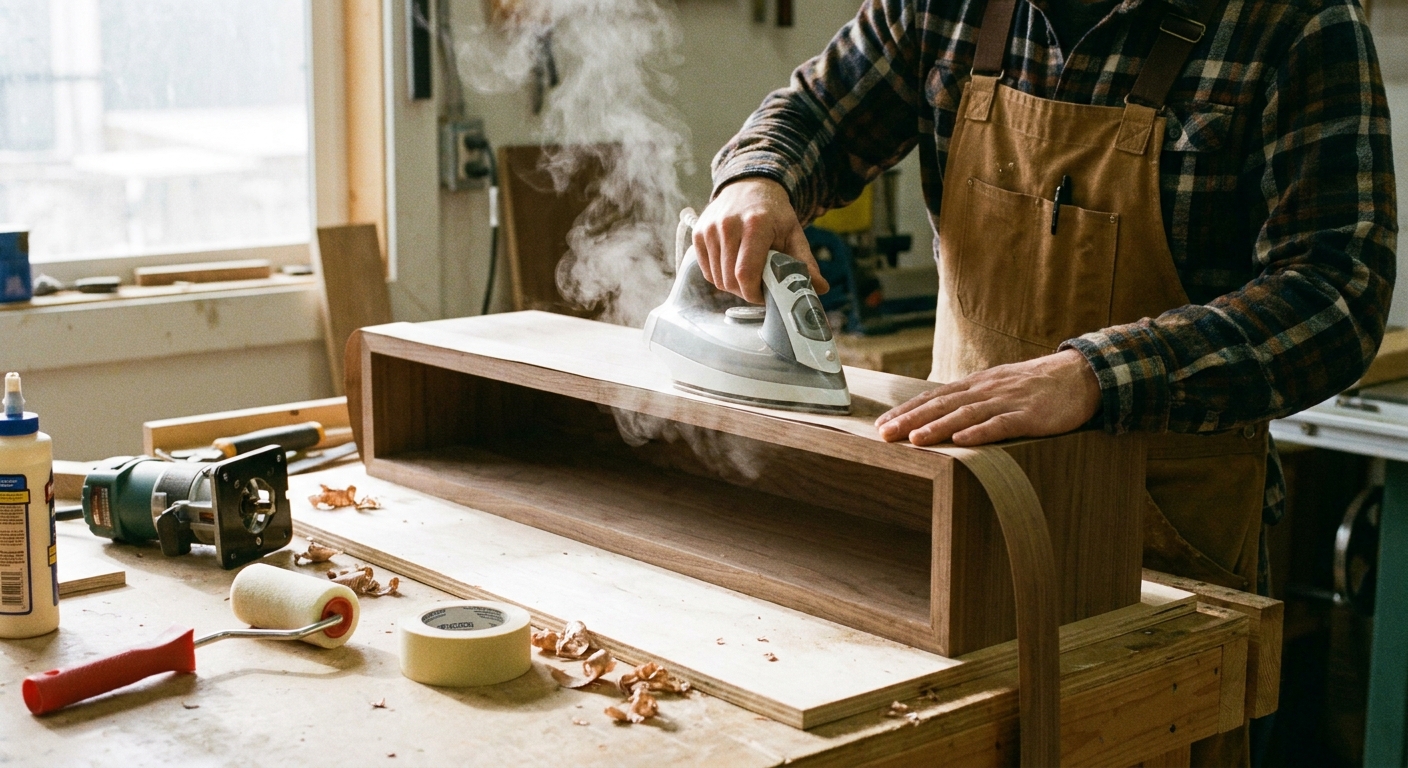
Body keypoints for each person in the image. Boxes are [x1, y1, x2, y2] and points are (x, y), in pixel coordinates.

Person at [693, 0, 1396, 763]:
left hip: (1158, 548)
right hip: (957, 516)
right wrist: (757, 179)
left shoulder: (1295, 24)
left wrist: (1099, 374)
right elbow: (813, 115)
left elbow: (1337, 293)